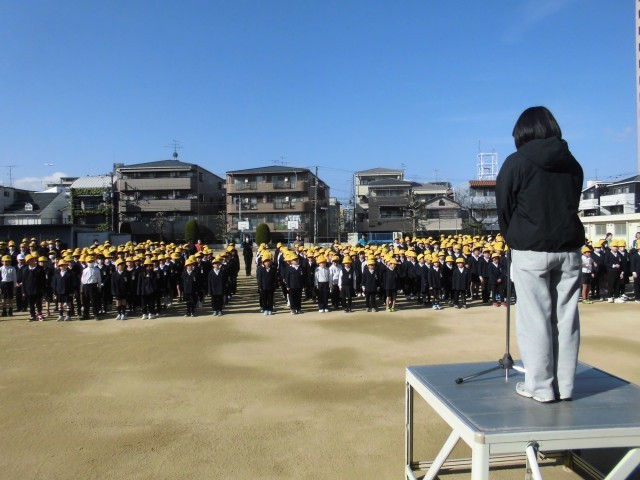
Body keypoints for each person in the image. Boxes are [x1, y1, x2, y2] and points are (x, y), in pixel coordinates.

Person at [496, 106, 583, 403]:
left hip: (530, 249)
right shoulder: (572, 163)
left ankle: (540, 387)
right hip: (569, 249)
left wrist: (513, 236)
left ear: (522, 132)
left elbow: (504, 207)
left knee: (535, 319)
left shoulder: (517, 162)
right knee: (566, 319)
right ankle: (565, 386)